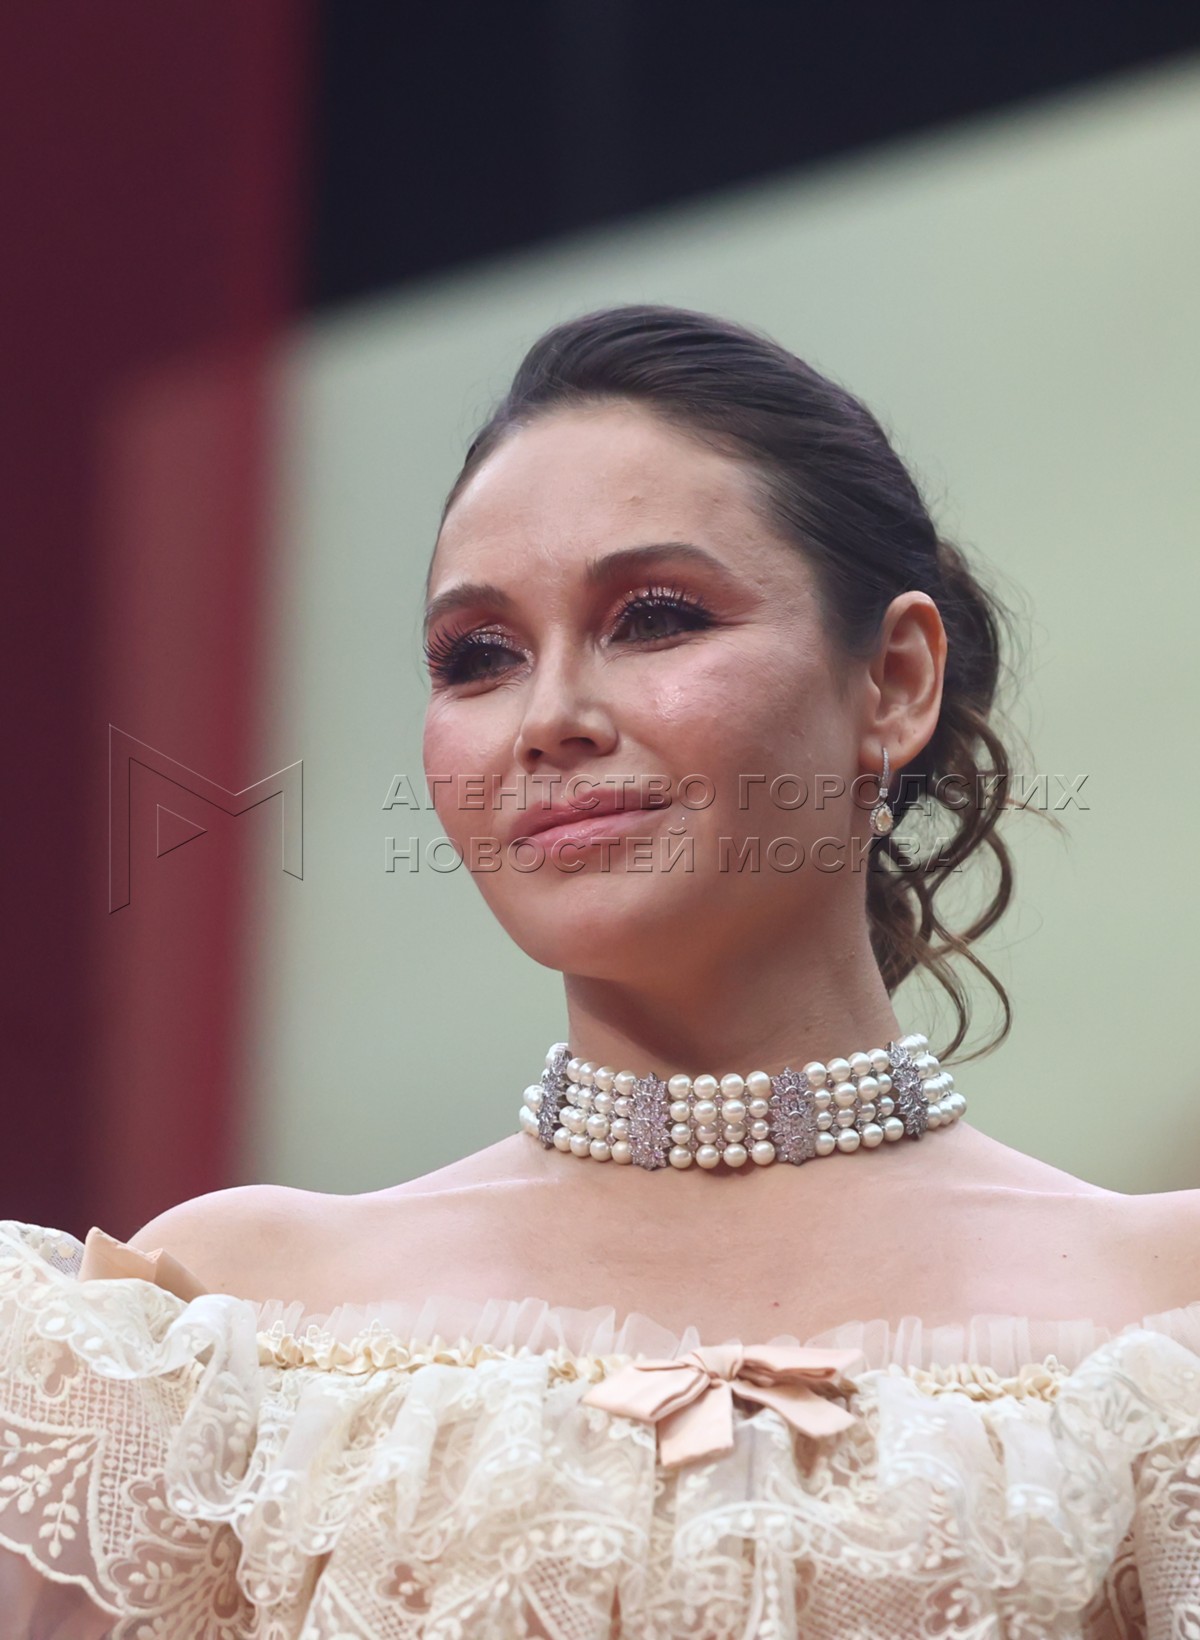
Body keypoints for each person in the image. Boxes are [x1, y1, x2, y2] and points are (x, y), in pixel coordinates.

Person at [2, 303, 1198, 1638]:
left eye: (656, 619)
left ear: (895, 682)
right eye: (479, 656)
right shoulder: (228, 1322)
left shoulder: (1165, 1322)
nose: (552, 719)